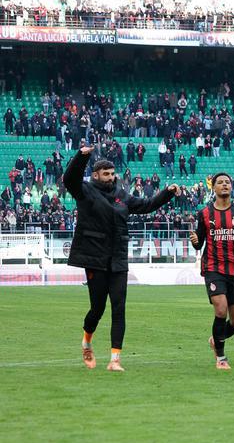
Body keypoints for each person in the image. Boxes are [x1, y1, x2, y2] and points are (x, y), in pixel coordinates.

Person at [64, 145, 178, 371]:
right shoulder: (84, 190)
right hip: (95, 259)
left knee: (119, 308)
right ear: (95, 175)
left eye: (112, 173)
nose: (110, 177)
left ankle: (115, 360)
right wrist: (82, 156)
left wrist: (167, 193)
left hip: (118, 260)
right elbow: (69, 178)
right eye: (105, 174)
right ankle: (87, 341)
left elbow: (146, 206)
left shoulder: (122, 196)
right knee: (97, 309)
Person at [189, 173, 234, 370]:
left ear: (231, 187)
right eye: (220, 182)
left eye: (227, 182)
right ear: (213, 188)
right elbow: (199, 244)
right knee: (221, 309)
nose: (224, 185)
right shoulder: (204, 214)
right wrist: (195, 242)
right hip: (213, 268)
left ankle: (216, 339)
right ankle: (221, 358)